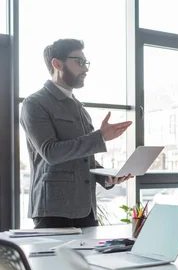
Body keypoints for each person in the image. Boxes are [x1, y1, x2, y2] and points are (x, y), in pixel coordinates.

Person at [20, 39, 132, 228]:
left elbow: (83, 158)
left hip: (86, 209)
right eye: (79, 62)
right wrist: (100, 137)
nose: (85, 69)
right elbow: (50, 153)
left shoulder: (79, 107)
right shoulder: (34, 103)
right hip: (53, 210)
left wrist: (106, 177)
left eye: (85, 63)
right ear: (57, 64)